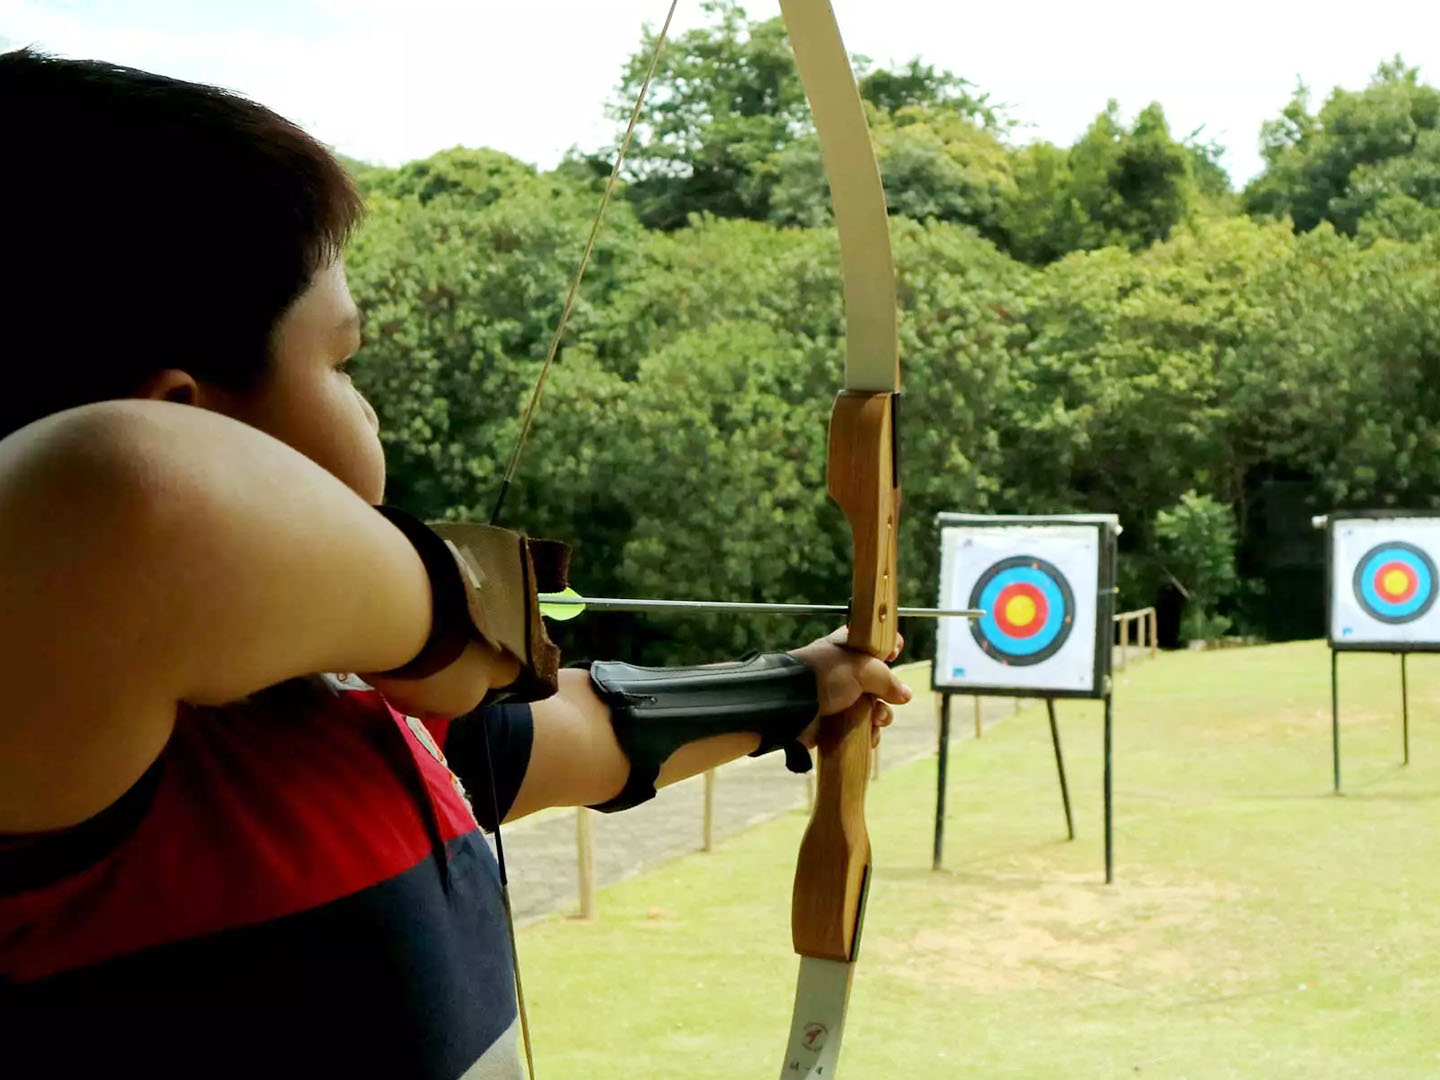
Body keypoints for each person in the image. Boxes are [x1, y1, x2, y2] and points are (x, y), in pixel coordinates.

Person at [0, 49, 911, 1078]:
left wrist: (802, 689)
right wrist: (448, 615)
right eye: (344, 363)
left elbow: (592, 730)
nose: (368, 402)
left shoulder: (361, 711)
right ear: (184, 412)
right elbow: (133, 502)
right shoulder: (52, 748)